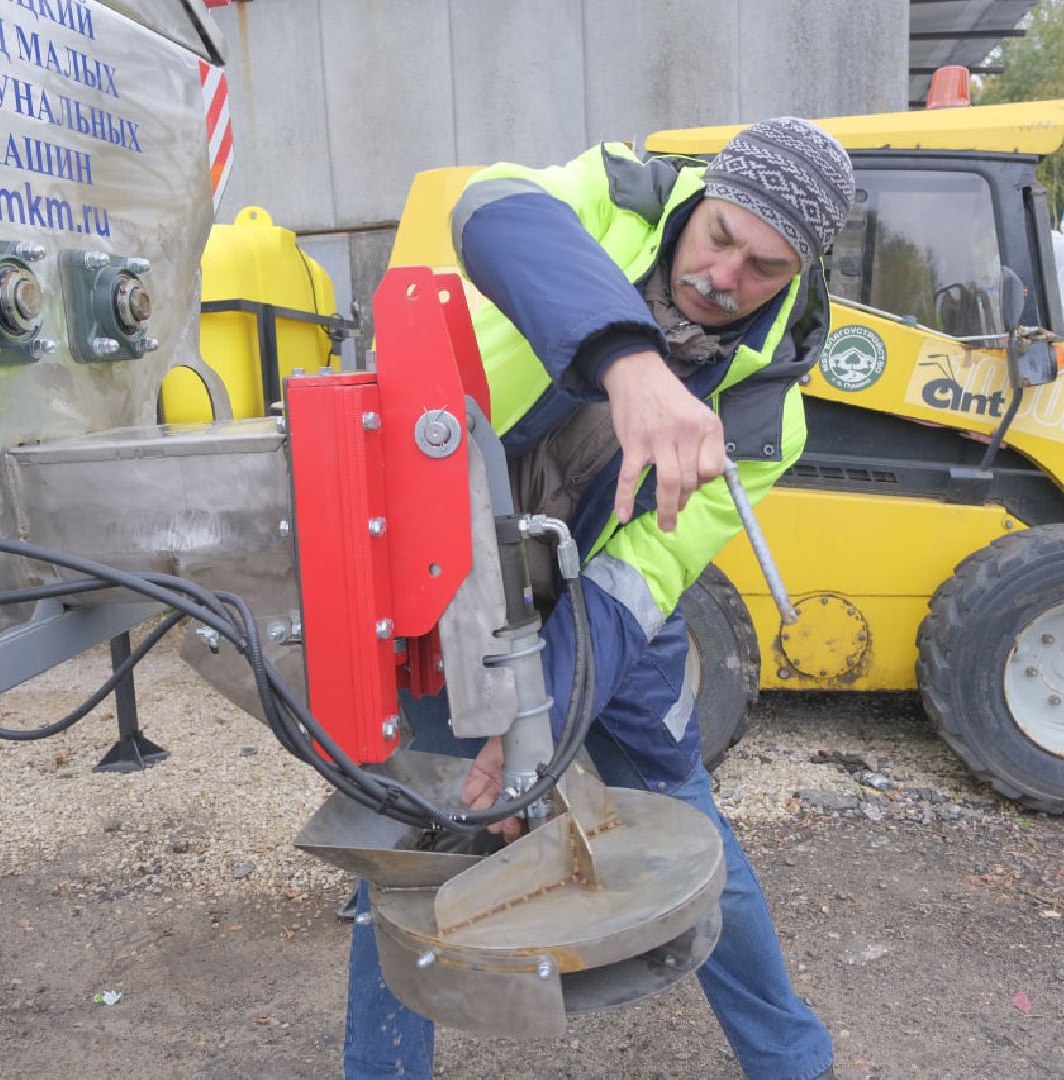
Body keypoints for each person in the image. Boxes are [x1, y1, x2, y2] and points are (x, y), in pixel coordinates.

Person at [343, 117, 855, 1080]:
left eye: (764, 268)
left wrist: (529, 729)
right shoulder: (613, 194)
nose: (723, 277)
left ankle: (794, 1063)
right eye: (719, 237)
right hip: (449, 580)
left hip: (602, 616)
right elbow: (488, 208)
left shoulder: (762, 415)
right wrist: (632, 365)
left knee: (689, 832)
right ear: (698, 199)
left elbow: (635, 580)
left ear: (799, 272)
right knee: (423, 851)